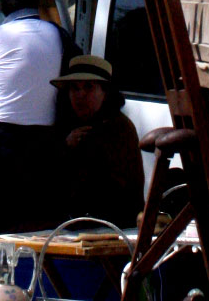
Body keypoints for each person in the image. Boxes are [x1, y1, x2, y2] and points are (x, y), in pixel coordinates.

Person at [0, 0, 68, 231]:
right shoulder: (58, 35)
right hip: (47, 143)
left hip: (5, 141)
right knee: (38, 223)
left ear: (2, 3)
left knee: (2, 225)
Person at [52, 55, 144, 229]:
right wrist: (64, 147)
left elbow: (105, 191)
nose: (80, 95)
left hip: (113, 227)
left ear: (105, 92)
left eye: (88, 87)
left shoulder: (117, 127)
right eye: (74, 88)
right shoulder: (68, 126)